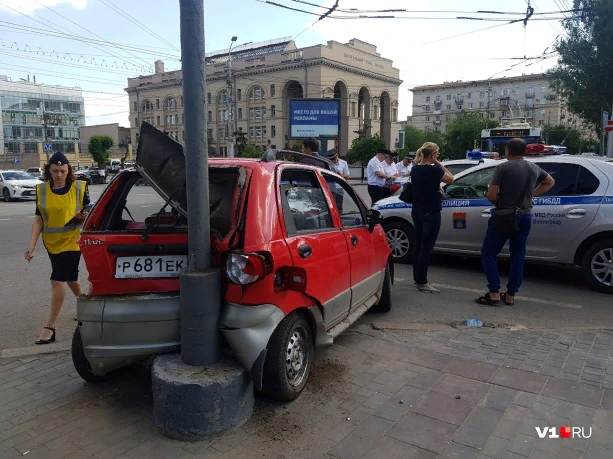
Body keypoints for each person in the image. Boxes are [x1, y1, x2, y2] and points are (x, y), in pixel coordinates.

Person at [476, 138, 555, 306]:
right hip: (525, 215)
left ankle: (494, 292)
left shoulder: (502, 167)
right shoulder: (534, 167)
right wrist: (532, 194)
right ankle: (511, 295)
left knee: (488, 253)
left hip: (504, 216)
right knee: (518, 256)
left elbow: (491, 195)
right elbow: (550, 182)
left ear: (507, 151)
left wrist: (501, 204)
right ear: (524, 151)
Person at [26, 152, 89, 344]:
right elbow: (39, 219)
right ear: (49, 171)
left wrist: (83, 215)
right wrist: (32, 246)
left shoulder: (79, 187)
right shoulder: (42, 190)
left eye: (63, 170)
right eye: (55, 171)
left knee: (57, 281)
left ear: (69, 170)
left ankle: (50, 328)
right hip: (52, 244)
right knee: (71, 279)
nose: (59, 174)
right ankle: (88, 306)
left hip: (72, 241)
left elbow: (90, 213)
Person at [410, 142, 454, 293]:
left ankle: (417, 279)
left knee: (418, 245)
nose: (438, 157)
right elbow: (451, 179)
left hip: (417, 211)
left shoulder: (415, 169)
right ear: (433, 155)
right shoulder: (434, 169)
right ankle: (422, 282)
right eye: (437, 154)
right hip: (431, 212)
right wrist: (439, 164)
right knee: (426, 248)